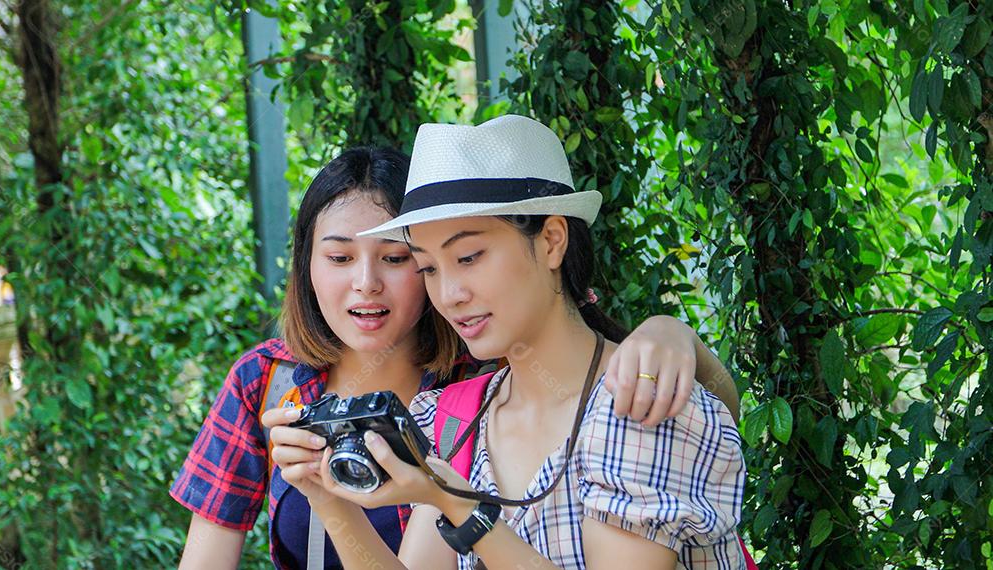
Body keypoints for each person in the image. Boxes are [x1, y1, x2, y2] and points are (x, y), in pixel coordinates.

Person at [174, 146, 741, 569]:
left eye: (468, 256)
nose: (449, 293)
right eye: (429, 267)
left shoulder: (634, 397)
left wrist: (675, 335)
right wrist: (325, 494)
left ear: (550, 240)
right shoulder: (453, 413)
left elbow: (709, 402)